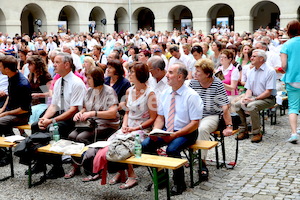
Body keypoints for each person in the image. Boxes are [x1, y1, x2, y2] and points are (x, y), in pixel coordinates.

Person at [142, 62, 203, 196]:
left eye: (170, 73)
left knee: (172, 149)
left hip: (187, 131)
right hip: (168, 130)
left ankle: (179, 183)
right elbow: (160, 117)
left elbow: (194, 123)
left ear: (180, 77)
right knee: (146, 145)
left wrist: (175, 135)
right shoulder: (165, 93)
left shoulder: (192, 96)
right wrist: (155, 131)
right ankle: (160, 177)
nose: (167, 76)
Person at [30, 52, 86, 179]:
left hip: (74, 118)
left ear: (67, 65)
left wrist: (51, 120)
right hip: (60, 114)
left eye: (57, 62)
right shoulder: (59, 81)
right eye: (54, 62)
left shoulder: (77, 83)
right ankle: (40, 162)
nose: (53, 65)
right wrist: (45, 118)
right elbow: (54, 105)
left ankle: (57, 167)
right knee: (36, 126)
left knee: (55, 128)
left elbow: (73, 110)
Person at [64, 67, 120, 179]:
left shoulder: (109, 91)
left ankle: (92, 168)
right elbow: (85, 108)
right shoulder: (89, 91)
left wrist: (93, 113)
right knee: (71, 136)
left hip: (106, 124)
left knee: (81, 137)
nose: (87, 80)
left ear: (96, 78)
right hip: (91, 123)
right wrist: (80, 113)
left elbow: (112, 113)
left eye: (89, 78)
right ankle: (76, 165)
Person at [189, 58, 233, 180]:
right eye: (195, 70)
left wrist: (229, 126)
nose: (195, 73)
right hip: (196, 115)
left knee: (202, 129)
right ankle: (189, 156)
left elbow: (225, 106)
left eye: (198, 71)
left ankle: (202, 163)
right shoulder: (193, 83)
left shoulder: (217, 83)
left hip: (212, 115)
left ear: (207, 74)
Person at [235, 49, 277, 143]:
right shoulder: (252, 71)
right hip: (254, 97)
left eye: (254, 56)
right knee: (238, 105)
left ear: (261, 59)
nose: (251, 58)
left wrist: (254, 99)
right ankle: (243, 130)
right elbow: (249, 88)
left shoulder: (270, 71)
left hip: (268, 98)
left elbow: (268, 92)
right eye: (251, 56)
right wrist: (247, 97)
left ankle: (257, 133)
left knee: (251, 106)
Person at [0, 55, 31, 165]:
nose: (0, 69)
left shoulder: (22, 84)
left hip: (21, 116)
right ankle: (6, 145)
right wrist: (2, 109)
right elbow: (10, 95)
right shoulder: (11, 76)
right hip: (11, 111)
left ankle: (4, 155)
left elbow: (24, 109)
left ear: (7, 69)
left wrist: (5, 114)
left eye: (1, 67)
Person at [280, 20, 300, 143]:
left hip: (292, 79)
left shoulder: (286, 45)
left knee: (293, 107)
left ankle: (293, 133)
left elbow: (283, 66)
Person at [26, 55, 52, 124]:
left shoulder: (44, 77)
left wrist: (38, 95)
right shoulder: (30, 76)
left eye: (31, 64)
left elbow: (49, 93)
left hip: (43, 104)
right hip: (32, 103)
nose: (28, 66)